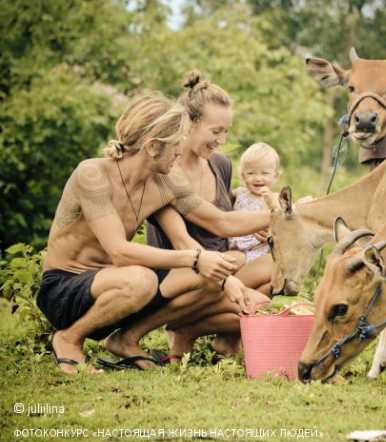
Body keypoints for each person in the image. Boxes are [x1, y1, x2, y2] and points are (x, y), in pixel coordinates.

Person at [38, 93, 271, 374]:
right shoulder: (92, 175)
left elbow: (221, 222)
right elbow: (119, 251)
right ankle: (68, 339)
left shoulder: (165, 181)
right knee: (143, 278)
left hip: (118, 288)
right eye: (176, 143)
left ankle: (125, 339)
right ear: (152, 146)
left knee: (211, 273)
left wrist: (283, 218)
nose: (180, 149)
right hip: (65, 289)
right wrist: (196, 259)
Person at [147, 71, 275, 360]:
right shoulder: (167, 169)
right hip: (185, 273)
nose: (222, 139)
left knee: (274, 271)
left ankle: (221, 341)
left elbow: (229, 218)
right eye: (216, 131)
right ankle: (184, 330)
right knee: (259, 306)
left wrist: (255, 232)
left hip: (222, 265)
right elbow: (203, 231)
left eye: (226, 131)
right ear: (190, 123)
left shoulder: (220, 164)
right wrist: (280, 215)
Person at [229, 142, 281, 262]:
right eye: (251, 173)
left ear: (276, 176)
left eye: (265, 173)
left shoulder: (274, 198)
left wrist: (271, 203)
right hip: (234, 246)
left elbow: (280, 217)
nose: (258, 178)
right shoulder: (239, 193)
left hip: (257, 251)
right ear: (242, 176)